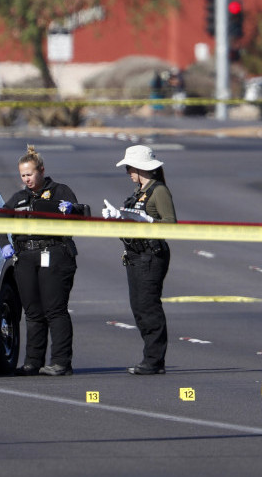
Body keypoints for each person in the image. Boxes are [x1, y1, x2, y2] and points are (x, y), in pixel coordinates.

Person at [0, 145, 83, 376]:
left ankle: (61, 362)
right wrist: (3, 244)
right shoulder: (18, 199)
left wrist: (72, 211)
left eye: (30, 174)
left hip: (54, 254)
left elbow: (79, 215)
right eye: (23, 175)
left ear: (42, 170)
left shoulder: (60, 191)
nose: (27, 179)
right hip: (26, 256)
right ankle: (32, 362)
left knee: (55, 309)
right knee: (33, 312)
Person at [102, 145, 177, 375]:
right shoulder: (138, 192)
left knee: (148, 306)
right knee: (138, 307)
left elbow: (171, 225)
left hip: (151, 255)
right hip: (135, 254)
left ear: (140, 167)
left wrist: (150, 222)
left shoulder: (159, 191)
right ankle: (151, 356)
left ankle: (154, 360)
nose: (127, 172)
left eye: (129, 167)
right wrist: (118, 217)